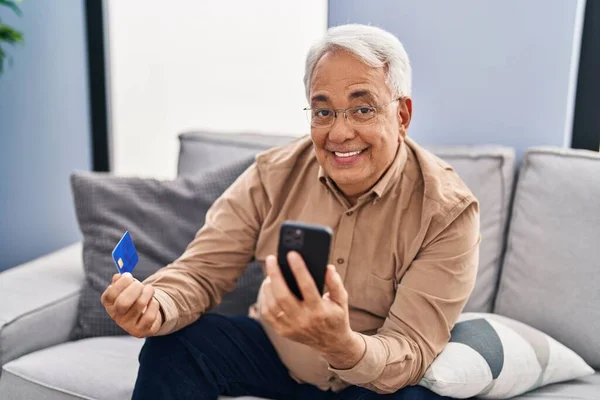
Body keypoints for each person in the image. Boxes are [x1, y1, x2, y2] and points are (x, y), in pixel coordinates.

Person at [101, 24, 480, 400]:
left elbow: (409, 347)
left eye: (362, 109)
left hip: (369, 380)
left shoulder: (447, 212)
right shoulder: (272, 175)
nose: (339, 133)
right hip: (275, 358)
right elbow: (201, 272)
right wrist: (157, 305)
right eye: (323, 112)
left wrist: (343, 344)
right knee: (176, 345)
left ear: (402, 115)